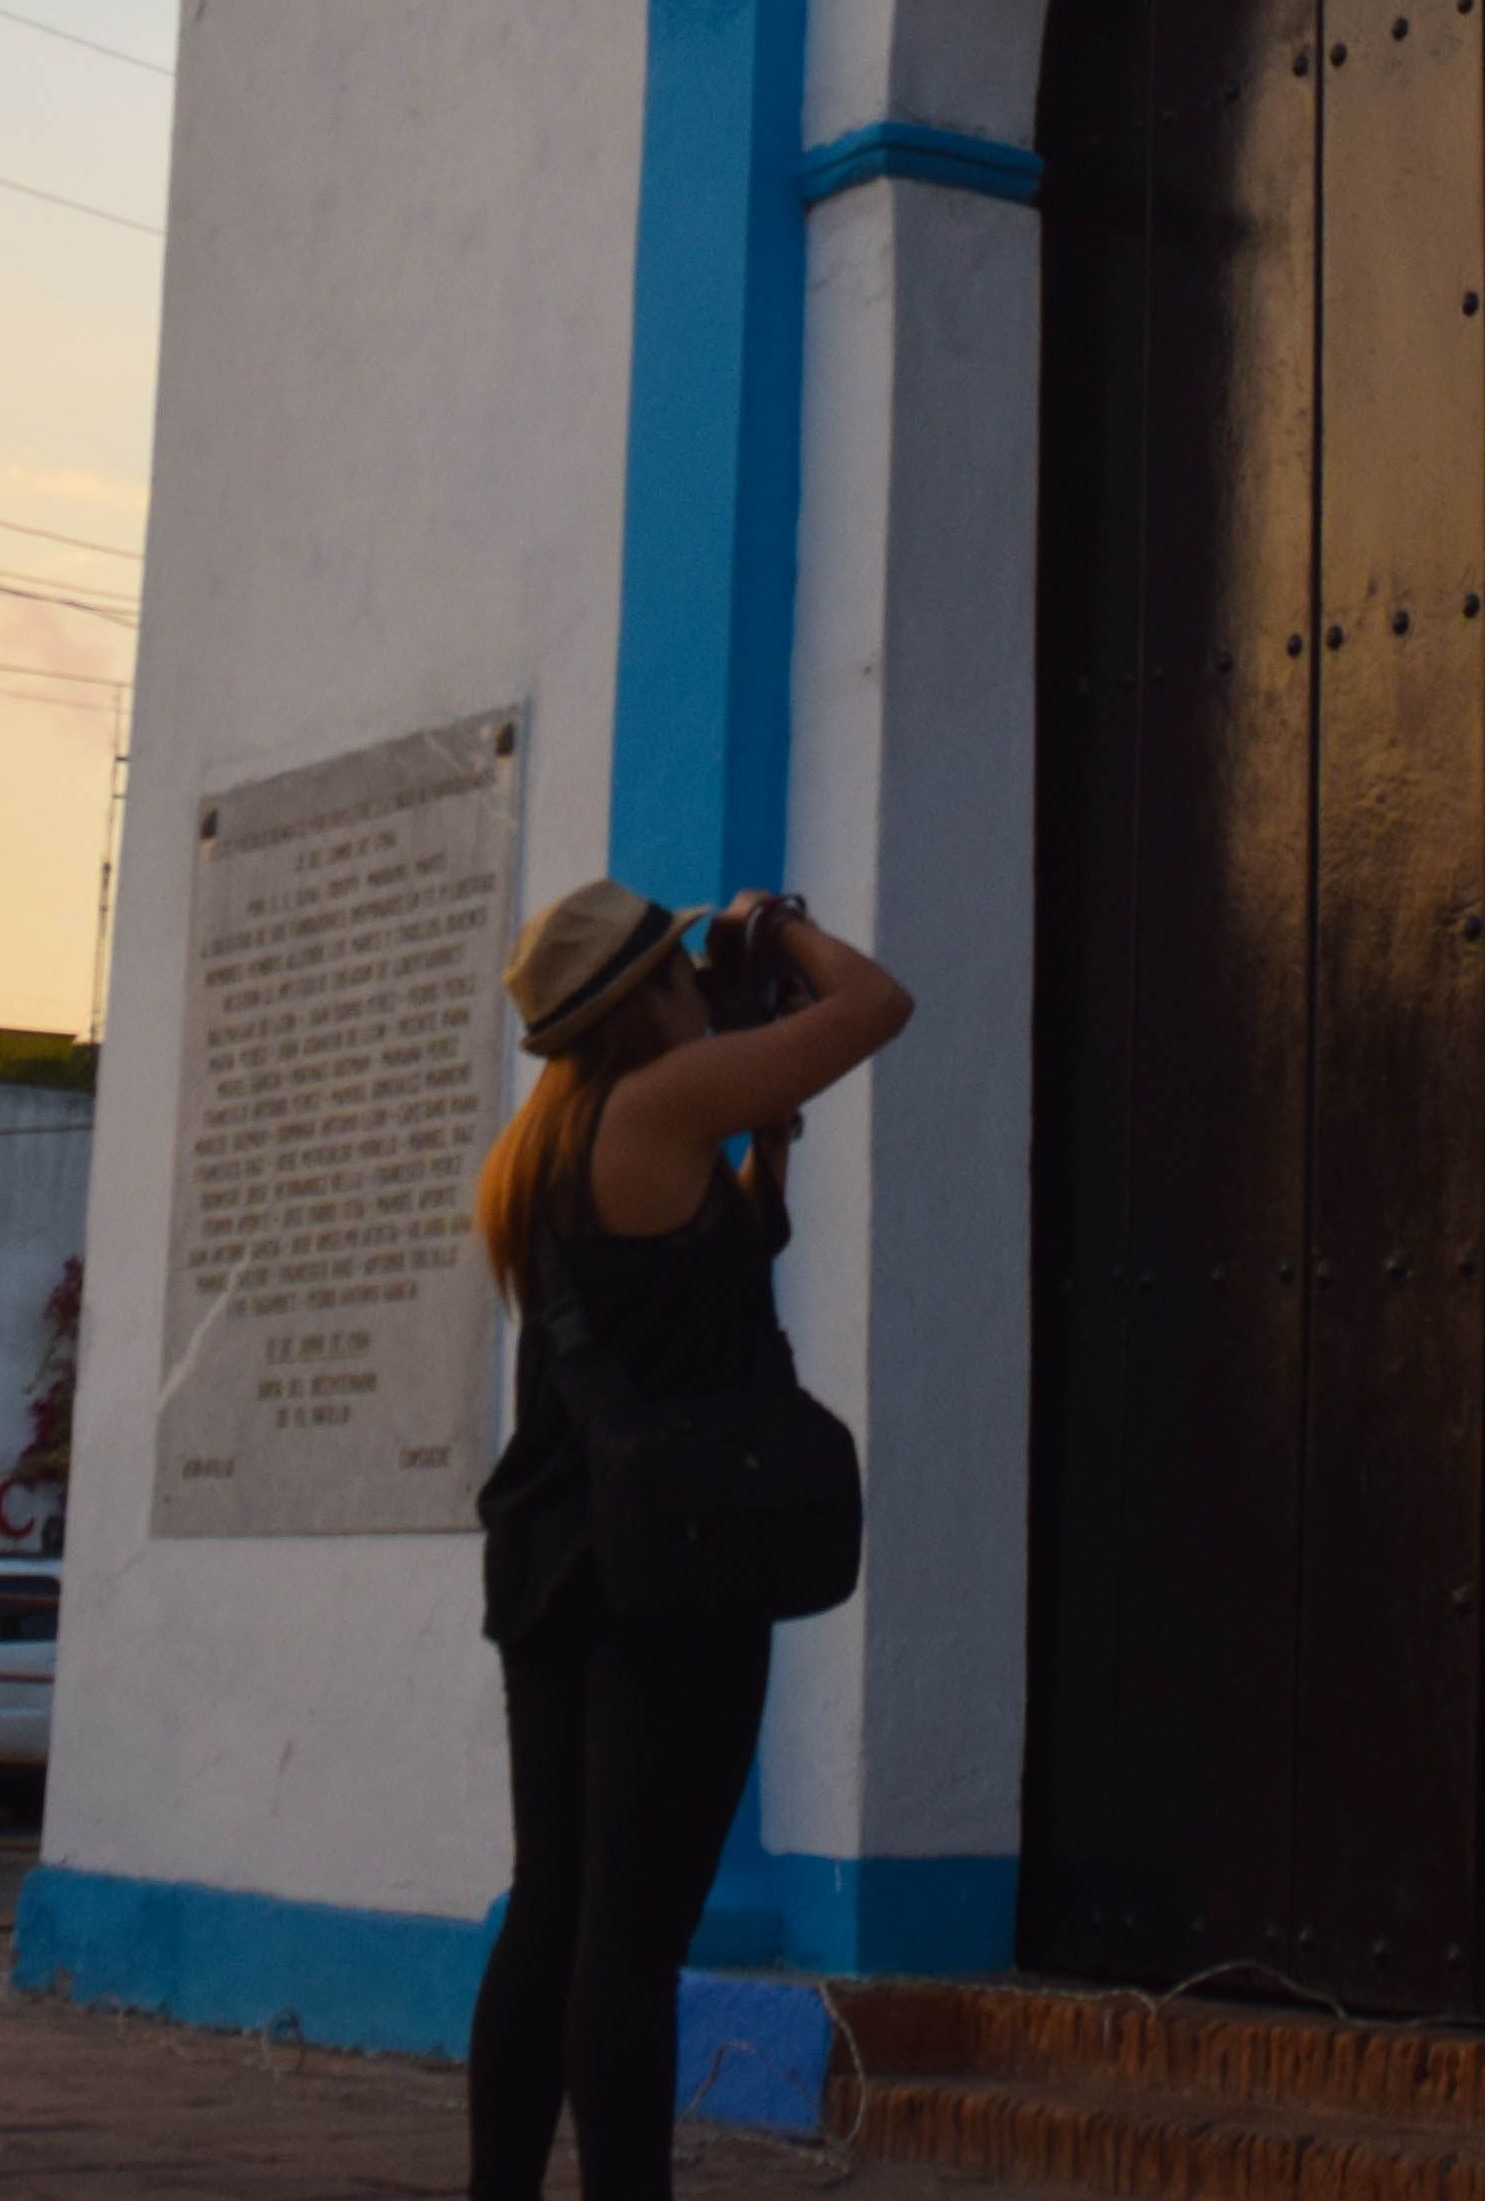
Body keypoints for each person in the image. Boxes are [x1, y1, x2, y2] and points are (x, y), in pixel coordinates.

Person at [461, 883, 912, 2201]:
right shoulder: (658, 1107)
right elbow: (878, 1005)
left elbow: (698, 1293)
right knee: (632, 1934)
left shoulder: (551, 1143)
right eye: (683, 969)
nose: (702, 987)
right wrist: (773, 931)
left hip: (555, 1561)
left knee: (552, 1907)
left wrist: (766, 1145)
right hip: (664, 1570)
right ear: (643, 996)